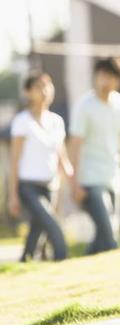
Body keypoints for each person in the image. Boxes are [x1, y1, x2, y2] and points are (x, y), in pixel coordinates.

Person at [67, 57, 120, 255]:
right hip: (89, 180)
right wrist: (74, 183)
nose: (104, 81)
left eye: (109, 77)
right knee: (110, 235)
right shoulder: (85, 105)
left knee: (105, 234)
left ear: (118, 80)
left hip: (113, 177)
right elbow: (75, 145)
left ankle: (81, 267)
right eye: (101, 76)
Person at [8, 71, 73, 262]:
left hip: (50, 186)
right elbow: (14, 161)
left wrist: (73, 180)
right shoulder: (22, 121)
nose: (45, 90)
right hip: (28, 187)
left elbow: (61, 156)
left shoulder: (56, 121)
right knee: (53, 227)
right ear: (28, 92)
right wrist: (12, 195)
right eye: (39, 86)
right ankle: (63, 259)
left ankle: (24, 263)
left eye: (48, 85)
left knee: (37, 232)